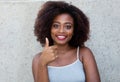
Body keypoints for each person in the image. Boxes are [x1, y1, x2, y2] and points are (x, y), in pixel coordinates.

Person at [32, 1, 100, 82]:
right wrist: (42, 63)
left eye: (68, 26)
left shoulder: (84, 54)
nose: (61, 31)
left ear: (75, 29)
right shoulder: (38, 59)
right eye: (56, 26)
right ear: (48, 28)